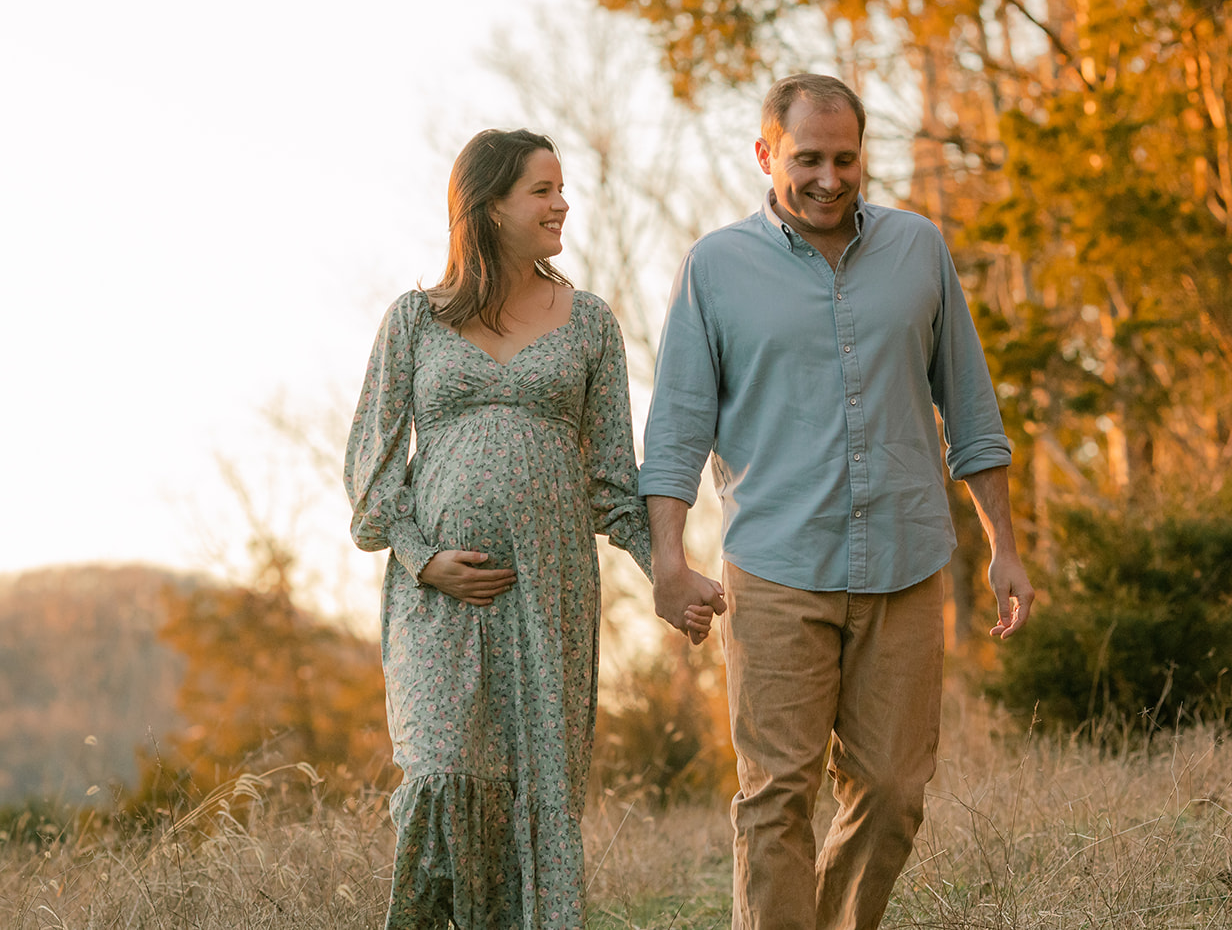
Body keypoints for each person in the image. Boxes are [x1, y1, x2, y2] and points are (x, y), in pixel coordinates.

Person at [639, 74, 1036, 930]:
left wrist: (1002, 540)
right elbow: (674, 428)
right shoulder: (716, 267)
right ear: (764, 155)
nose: (828, 177)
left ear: (864, 156)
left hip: (904, 561)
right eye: (806, 158)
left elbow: (968, 404)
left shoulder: (918, 249)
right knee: (778, 794)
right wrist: (669, 561)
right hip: (777, 567)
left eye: (845, 158)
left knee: (893, 790)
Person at [346, 128, 652, 929]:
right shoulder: (415, 320)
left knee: (538, 788)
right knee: (439, 776)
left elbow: (616, 481)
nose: (563, 203)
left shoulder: (591, 324)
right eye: (543, 190)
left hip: (549, 595)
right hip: (438, 602)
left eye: (561, 187)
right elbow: (369, 471)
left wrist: (672, 574)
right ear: (486, 207)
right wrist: (422, 558)